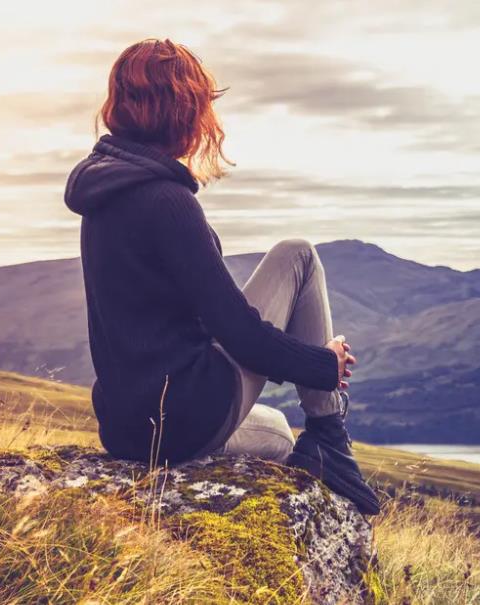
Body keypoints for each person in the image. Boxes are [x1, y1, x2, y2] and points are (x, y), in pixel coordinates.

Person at [63, 38, 379, 515]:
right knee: (298, 255)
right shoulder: (167, 201)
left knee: (271, 425)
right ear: (182, 110)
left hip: (126, 427)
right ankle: (329, 437)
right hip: (184, 418)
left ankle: (320, 442)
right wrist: (322, 364)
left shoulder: (103, 193)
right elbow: (239, 331)